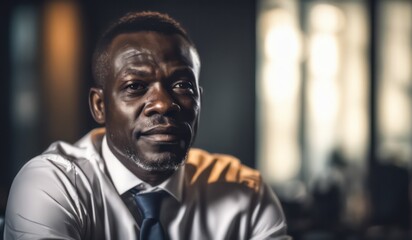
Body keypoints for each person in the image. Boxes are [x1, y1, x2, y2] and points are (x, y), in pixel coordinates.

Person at [4, 11, 290, 240]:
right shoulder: (52, 185)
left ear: (200, 100)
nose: (163, 104)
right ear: (100, 106)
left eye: (182, 85)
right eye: (136, 86)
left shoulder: (244, 192)